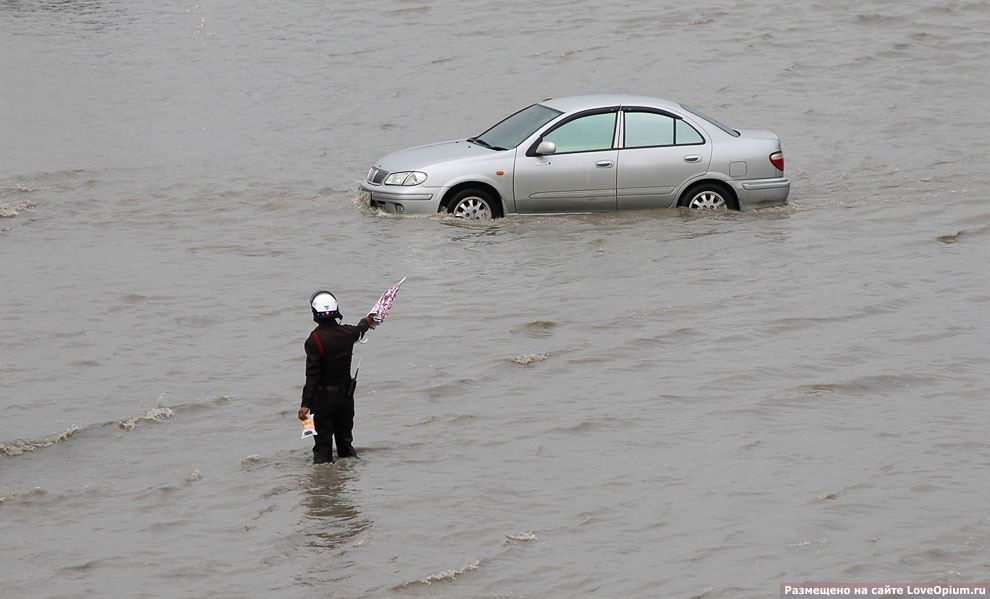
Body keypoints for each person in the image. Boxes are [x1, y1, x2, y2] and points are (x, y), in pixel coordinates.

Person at [298, 290, 376, 464]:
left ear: (314, 315)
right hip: (345, 398)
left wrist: (305, 405)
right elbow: (361, 328)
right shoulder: (348, 333)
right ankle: (349, 479)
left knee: (323, 449)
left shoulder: (314, 341)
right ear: (336, 311)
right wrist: (368, 320)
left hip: (323, 401)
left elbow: (312, 376)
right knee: (345, 444)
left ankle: (324, 484)